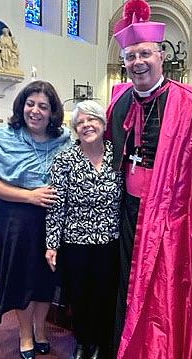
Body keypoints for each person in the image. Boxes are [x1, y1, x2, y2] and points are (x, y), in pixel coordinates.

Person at [106, 0, 192, 359]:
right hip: (127, 211)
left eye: (145, 54)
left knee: (160, 291)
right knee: (125, 283)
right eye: (131, 56)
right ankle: (122, 345)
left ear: (161, 55)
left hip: (170, 218)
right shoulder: (119, 99)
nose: (138, 62)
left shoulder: (189, 102)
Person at [0, 80, 72, 359]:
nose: (35, 111)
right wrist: (29, 196)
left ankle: (41, 329)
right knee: (23, 278)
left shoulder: (64, 138)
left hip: (53, 217)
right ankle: (25, 334)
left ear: (52, 111)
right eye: (30, 104)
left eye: (43, 106)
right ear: (21, 106)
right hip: (17, 217)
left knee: (46, 277)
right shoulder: (5, 137)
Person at [45, 100, 123, 359]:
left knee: (105, 295)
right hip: (76, 241)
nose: (87, 125)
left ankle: (100, 344)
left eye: (93, 119)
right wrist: (52, 244)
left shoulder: (119, 154)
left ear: (103, 123)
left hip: (110, 241)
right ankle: (81, 342)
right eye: (81, 122)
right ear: (75, 128)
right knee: (79, 296)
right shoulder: (65, 159)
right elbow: (56, 206)